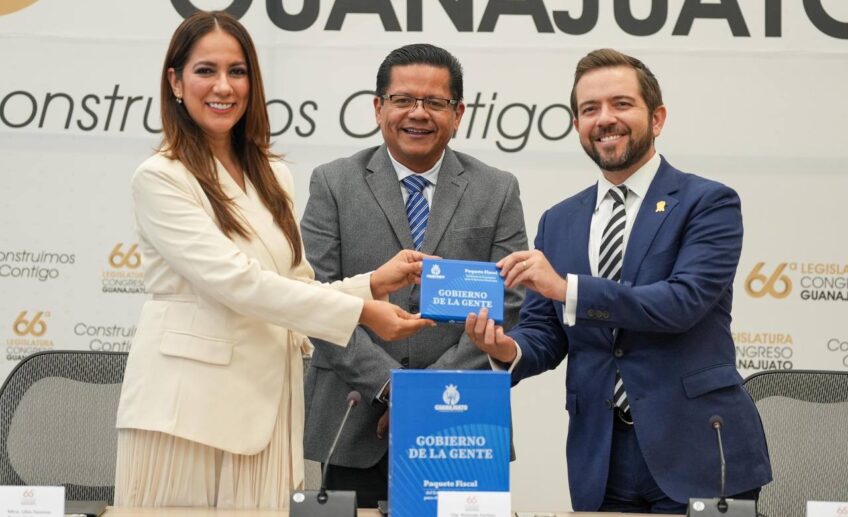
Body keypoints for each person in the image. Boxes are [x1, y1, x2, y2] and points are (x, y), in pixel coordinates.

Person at [113, 11, 433, 509]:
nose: (224, 86)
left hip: (268, 409)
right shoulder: (160, 178)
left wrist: (372, 283)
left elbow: (293, 284)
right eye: (205, 70)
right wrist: (362, 311)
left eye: (237, 71)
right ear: (175, 81)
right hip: (188, 417)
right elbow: (240, 284)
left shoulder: (271, 175)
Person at [465, 49, 771, 513]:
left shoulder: (708, 202)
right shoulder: (558, 220)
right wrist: (508, 350)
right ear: (577, 125)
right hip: (601, 453)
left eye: (621, 104)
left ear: (657, 118)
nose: (605, 119)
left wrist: (568, 288)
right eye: (590, 109)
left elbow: (681, 303)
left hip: (698, 447)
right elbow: (546, 330)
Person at [301, 43, 528, 508]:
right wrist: (390, 389)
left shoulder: (498, 189)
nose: (418, 113)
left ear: (458, 113)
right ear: (378, 108)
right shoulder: (332, 183)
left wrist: (423, 398)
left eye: (434, 102)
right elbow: (317, 300)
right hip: (351, 421)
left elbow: (507, 302)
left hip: (460, 423)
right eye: (403, 100)